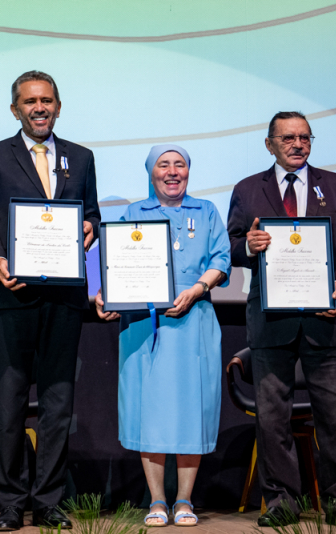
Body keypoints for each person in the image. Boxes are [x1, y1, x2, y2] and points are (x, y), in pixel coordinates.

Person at [226, 111, 336, 528]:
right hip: (271, 319)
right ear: (269, 143)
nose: (297, 144)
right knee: (273, 417)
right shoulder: (247, 189)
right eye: (288, 138)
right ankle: (281, 500)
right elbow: (232, 246)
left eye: (305, 137)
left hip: (326, 319)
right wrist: (249, 246)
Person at [0, 71, 101, 532]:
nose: (39, 108)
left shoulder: (81, 158)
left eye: (47, 100)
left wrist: (89, 230)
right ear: (15, 110)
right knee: (9, 404)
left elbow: (91, 216)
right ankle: (7, 504)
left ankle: (48, 502)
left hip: (64, 298)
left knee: (57, 404)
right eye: (30, 102)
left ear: (58, 106)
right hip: (12, 295)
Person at [95, 145, 231, 527]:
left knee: (191, 411)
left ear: (189, 171)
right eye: (163, 165)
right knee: (150, 411)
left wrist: (198, 288)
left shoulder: (205, 211)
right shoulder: (133, 213)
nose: (173, 172)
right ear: (150, 172)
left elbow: (222, 258)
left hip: (194, 321)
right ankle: (157, 500)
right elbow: (117, 262)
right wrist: (108, 293)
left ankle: (185, 500)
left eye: (180, 164)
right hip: (145, 321)